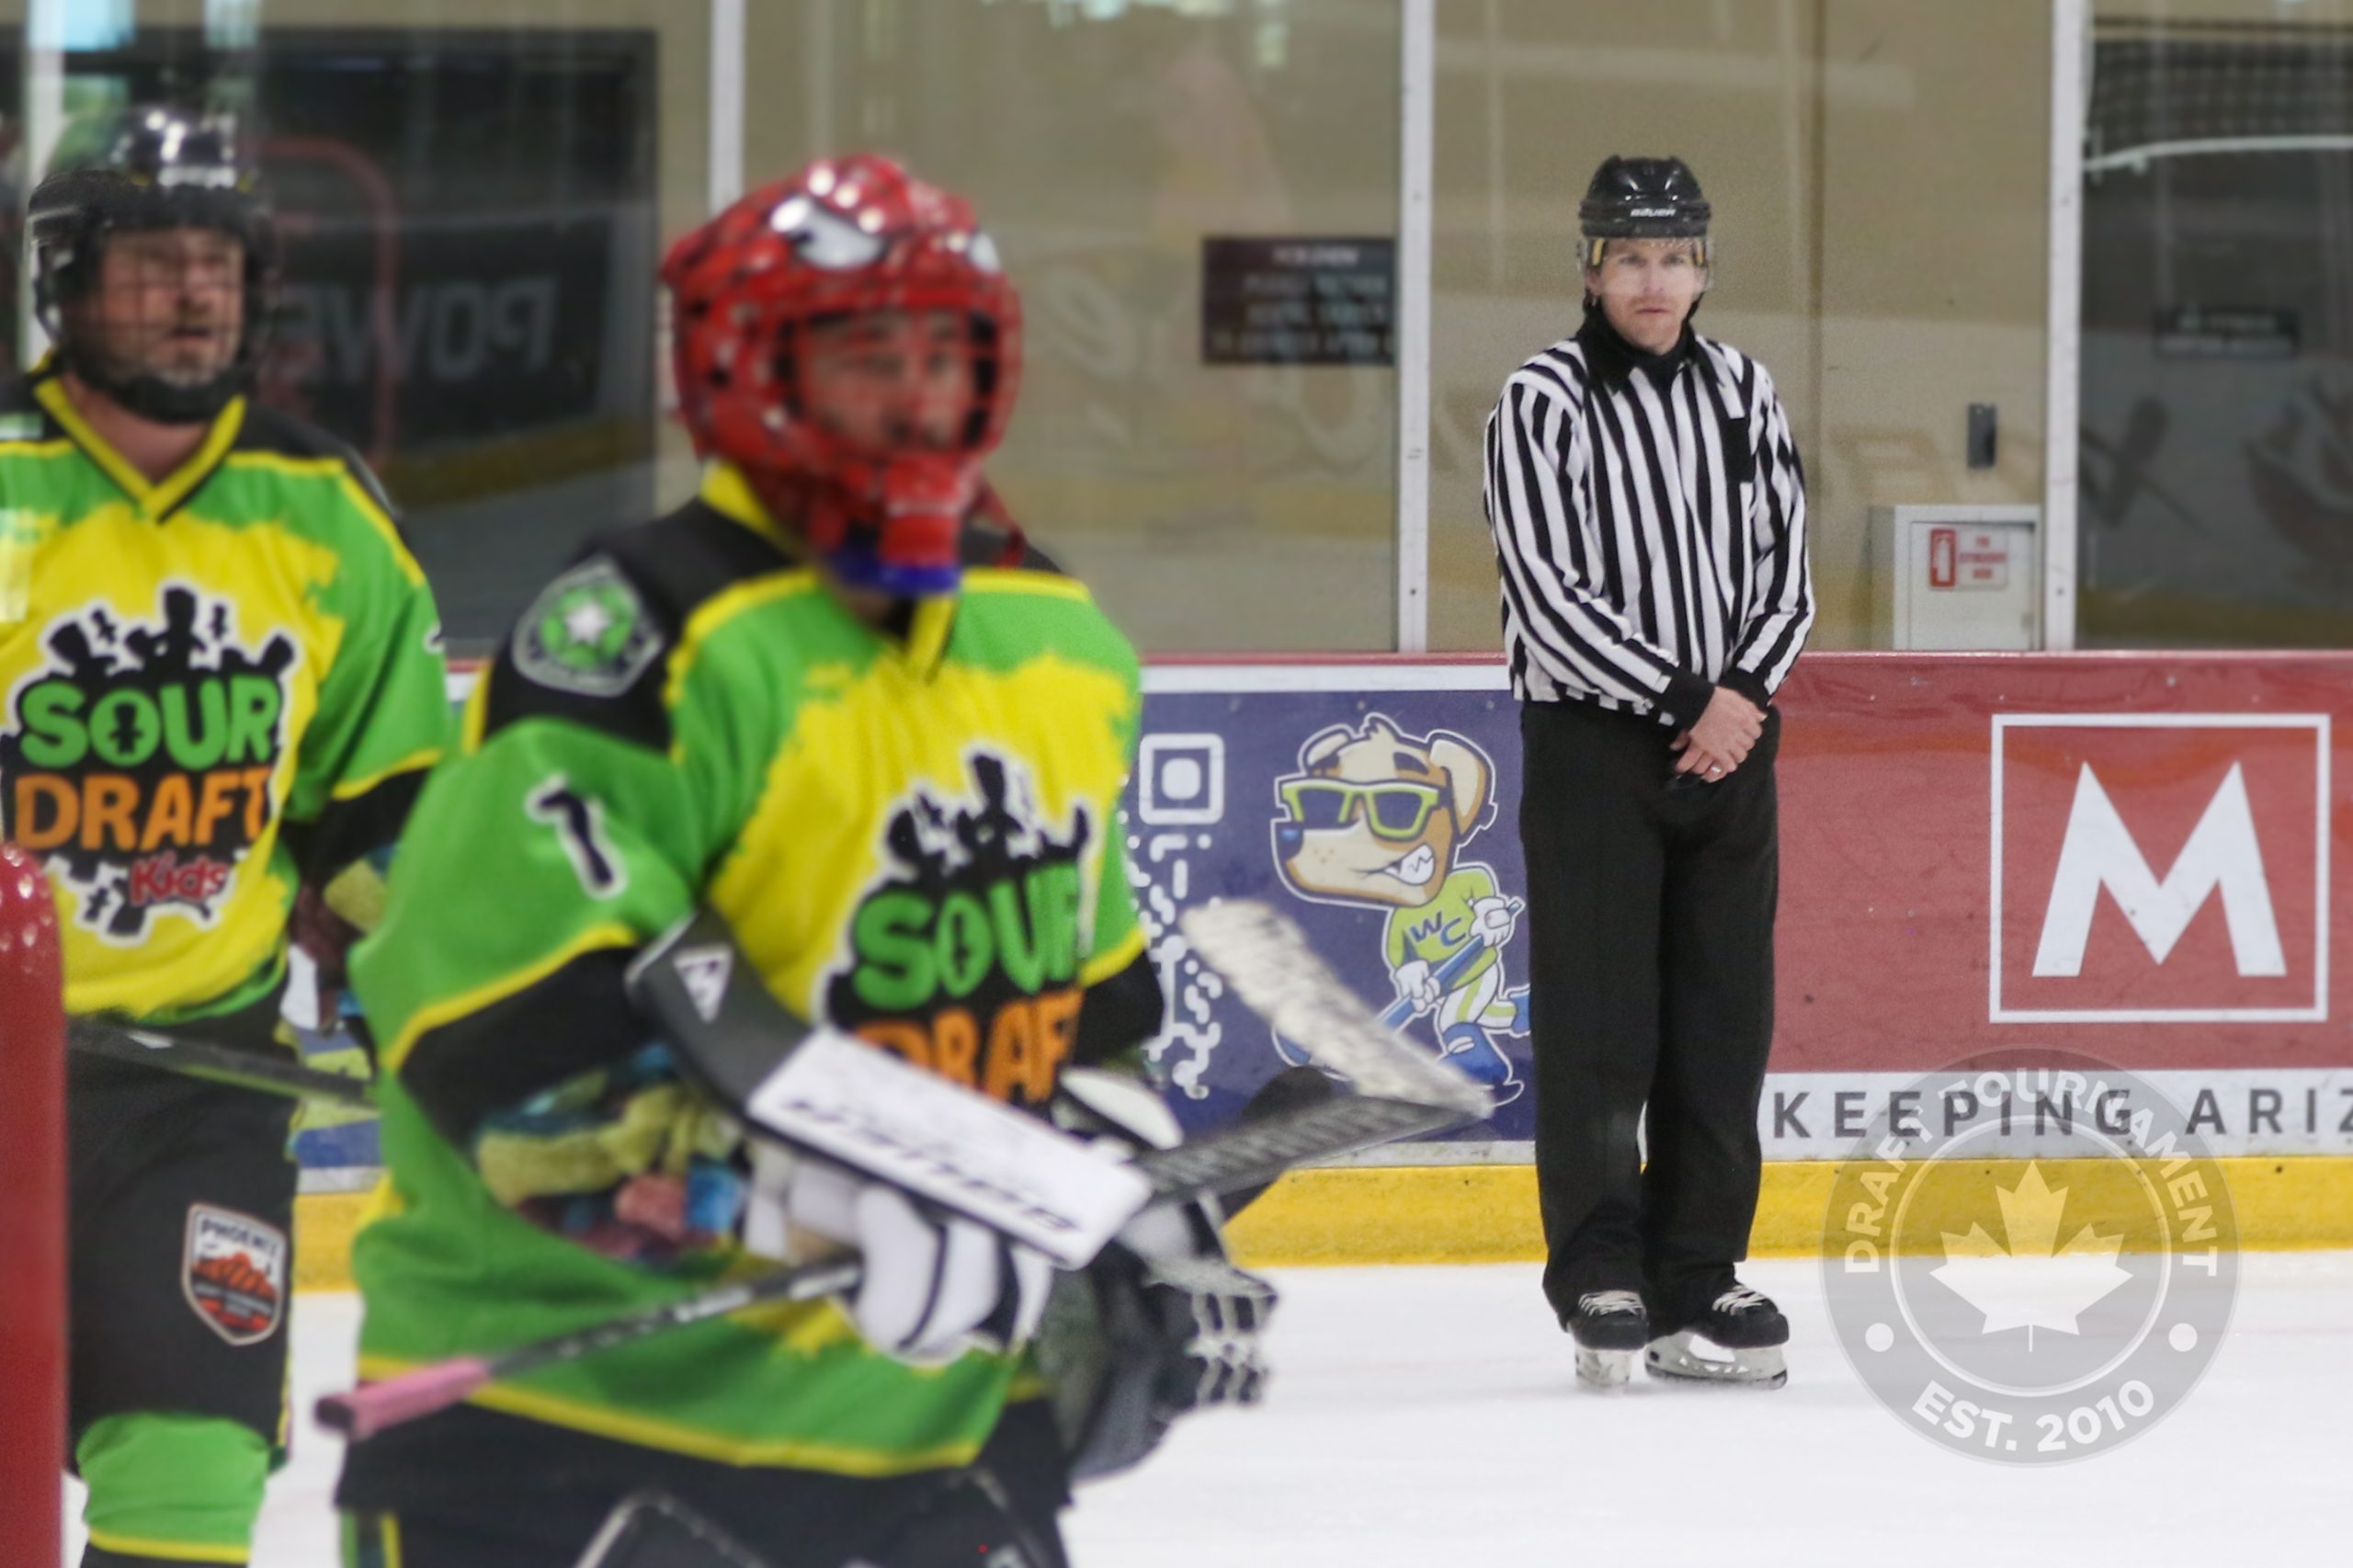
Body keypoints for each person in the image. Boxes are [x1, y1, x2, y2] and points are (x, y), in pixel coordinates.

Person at [335, 154, 1262, 1567]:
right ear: (742, 374)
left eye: (942, 356)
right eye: (864, 357)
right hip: (572, 1437)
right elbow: (502, 1039)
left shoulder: (1060, 645)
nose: (913, 398)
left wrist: (1109, 1191)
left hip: (934, 1443)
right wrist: (789, 1194)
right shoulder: (636, 640)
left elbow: (1087, 1019)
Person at [0, 108, 453, 1564]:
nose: (192, 293)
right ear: (66, 280)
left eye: (219, 262)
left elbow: (384, 815)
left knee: (192, 1478)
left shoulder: (322, 515)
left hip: (195, 1090)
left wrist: (443, 996)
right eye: (153, 262)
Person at [1482, 154, 1814, 1389]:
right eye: (1630, 256)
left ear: (1705, 268)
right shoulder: (1541, 399)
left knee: (1722, 1023)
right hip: (1596, 746)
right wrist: (1688, 700)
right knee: (1601, 1024)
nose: (1653, 280)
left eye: (1674, 257)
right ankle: (1601, 1271)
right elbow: (1546, 590)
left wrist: (1740, 702)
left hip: (1734, 744)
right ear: (1590, 269)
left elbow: (1788, 572)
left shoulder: (1744, 389)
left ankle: (1701, 1267)